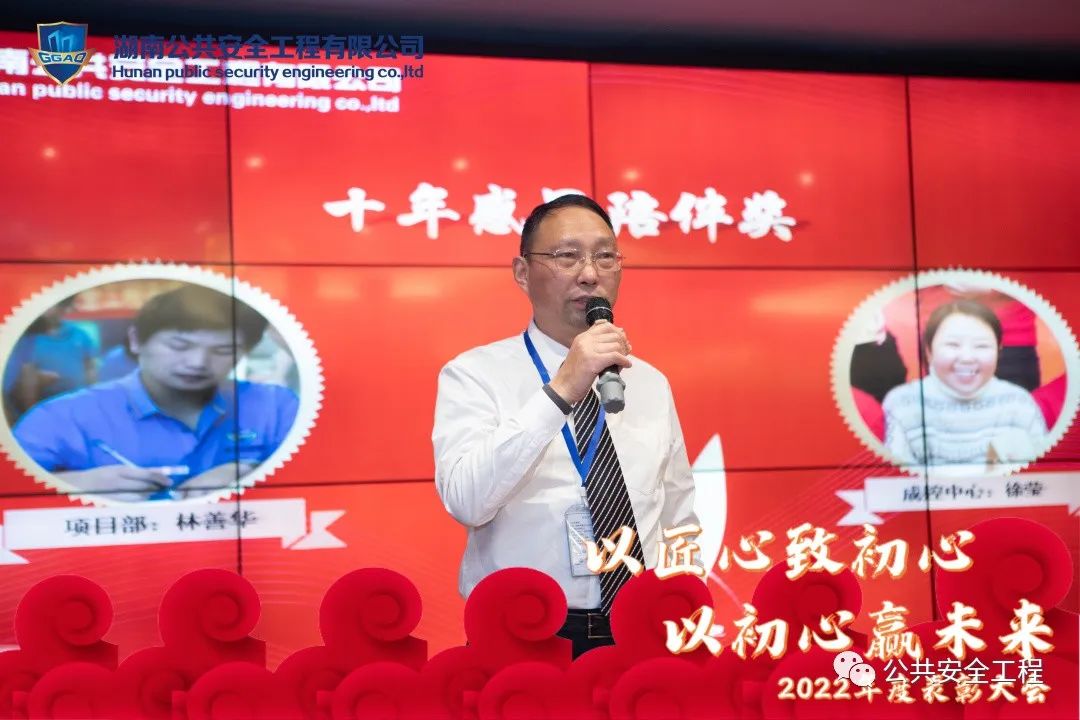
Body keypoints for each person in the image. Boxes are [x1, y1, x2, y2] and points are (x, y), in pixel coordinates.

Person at [432, 194, 698, 658]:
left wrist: (684, 605)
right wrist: (562, 389)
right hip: (523, 633)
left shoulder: (650, 382)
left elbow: (678, 513)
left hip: (644, 628)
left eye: (605, 256)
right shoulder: (475, 374)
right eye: (567, 256)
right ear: (522, 273)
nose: (590, 273)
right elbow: (467, 501)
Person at [13, 284, 298, 502]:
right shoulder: (58, 418)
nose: (198, 362)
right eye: (179, 346)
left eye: (223, 350)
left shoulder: (275, 406)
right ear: (136, 340)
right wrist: (70, 486)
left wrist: (256, 472)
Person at [882, 299, 1048, 470]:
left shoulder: (1019, 403)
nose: (967, 357)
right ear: (929, 351)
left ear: (998, 351)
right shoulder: (902, 403)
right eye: (953, 345)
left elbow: (1042, 473)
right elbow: (896, 478)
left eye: (981, 346)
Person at [3, 297, 98, 422]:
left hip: (77, 408)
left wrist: (92, 401)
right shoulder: (23, 341)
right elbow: (24, 385)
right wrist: (33, 415)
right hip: (40, 411)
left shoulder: (79, 335)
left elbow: (91, 370)